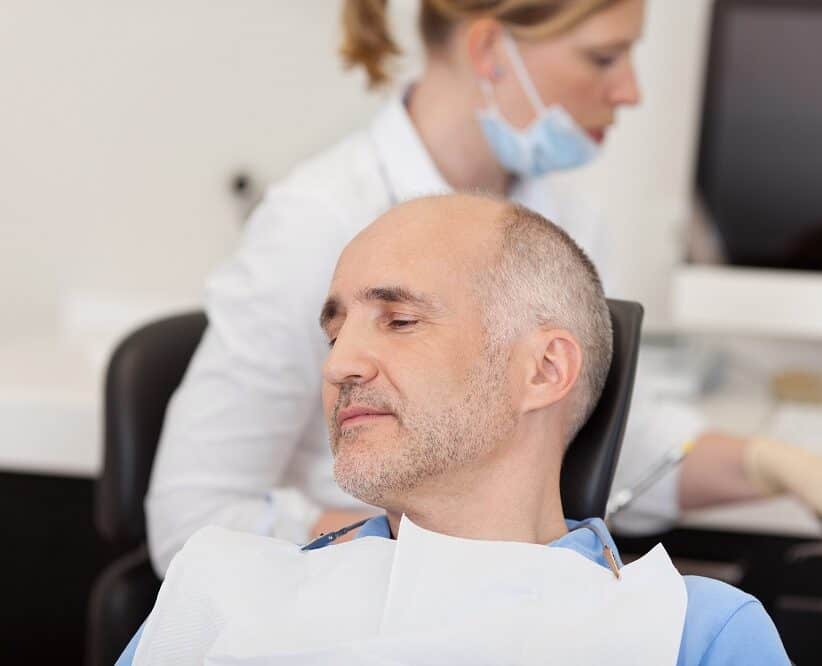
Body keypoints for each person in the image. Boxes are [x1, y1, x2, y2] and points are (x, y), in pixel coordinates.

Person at [145, 0, 822, 575]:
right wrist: (442, 559)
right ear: (493, 50)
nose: (630, 91)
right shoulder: (317, 222)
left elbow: (606, 449)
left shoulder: (562, 219)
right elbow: (192, 519)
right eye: (603, 58)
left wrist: (779, 465)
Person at [121, 194, 789, 665]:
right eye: (333, 333)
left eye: (400, 321)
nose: (339, 365)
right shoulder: (221, 588)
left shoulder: (687, 635)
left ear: (543, 369)